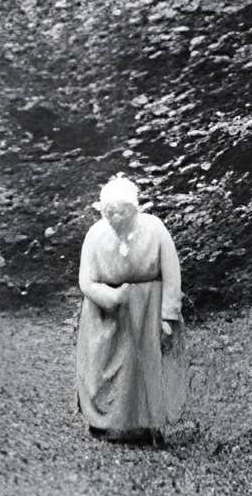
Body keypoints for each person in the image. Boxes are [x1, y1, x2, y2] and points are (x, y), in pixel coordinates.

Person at [73, 173, 188, 444]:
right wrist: (110, 297)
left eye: (121, 212)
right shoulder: (95, 234)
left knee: (146, 363)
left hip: (149, 306)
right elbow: (86, 281)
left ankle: (149, 423)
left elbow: (172, 274)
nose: (115, 218)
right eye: (109, 212)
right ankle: (105, 422)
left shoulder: (156, 229)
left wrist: (168, 314)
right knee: (102, 364)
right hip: (107, 309)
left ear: (134, 209)